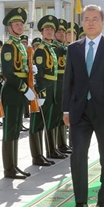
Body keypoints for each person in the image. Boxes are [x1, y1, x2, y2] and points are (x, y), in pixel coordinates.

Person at [62, 5, 104, 207]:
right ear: (82, 22)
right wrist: (65, 110)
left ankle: (103, 199)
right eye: (86, 19)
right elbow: (68, 82)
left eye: (95, 18)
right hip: (79, 111)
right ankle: (81, 203)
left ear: (102, 22)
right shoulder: (73, 48)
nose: (90, 22)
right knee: (78, 156)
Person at [0, 7, 34, 179]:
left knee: (15, 131)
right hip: (13, 91)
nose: (20, 27)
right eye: (16, 24)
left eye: (21, 24)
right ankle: (8, 168)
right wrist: (24, 88)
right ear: (9, 27)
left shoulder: (20, 45)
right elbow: (9, 73)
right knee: (9, 130)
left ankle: (14, 165)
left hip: (19, 92)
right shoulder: (8, 46)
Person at [31, 15, 62, 163]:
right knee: (37, 122)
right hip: (45, 89)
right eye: (46, 29)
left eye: (51, 29)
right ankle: (37, 156)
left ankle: (50, 150)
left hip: (53, 87)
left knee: (49, 120)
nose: (49, 31)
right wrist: (41, 91)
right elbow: (40, 73)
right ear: (42, 32)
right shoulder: (41, 50)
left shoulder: (51, 48)